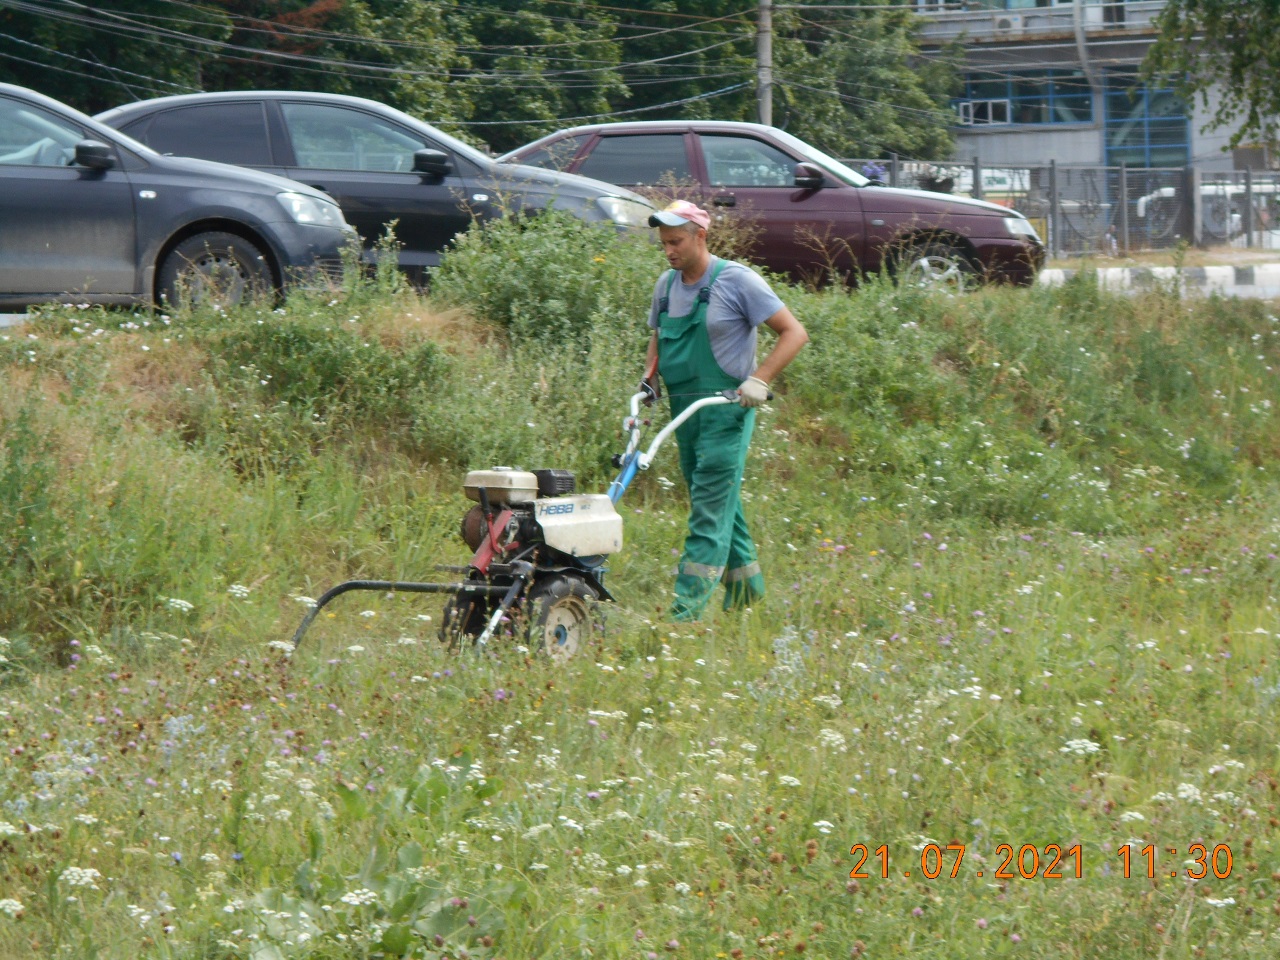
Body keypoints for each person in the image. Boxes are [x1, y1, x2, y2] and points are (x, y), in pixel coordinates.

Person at [641, 199, 809, 622]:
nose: (669, 251)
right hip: (684, 412)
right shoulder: (666, 284)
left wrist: (761, 378)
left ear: (701, 236)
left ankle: (683, 613)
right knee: (717, 501)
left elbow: (794, 333)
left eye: (676, 242)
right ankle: (748, 594)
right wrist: (650, 376)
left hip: (725, 409)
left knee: (707, 510)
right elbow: (659, 336)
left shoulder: (737, 281)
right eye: (663, 244)